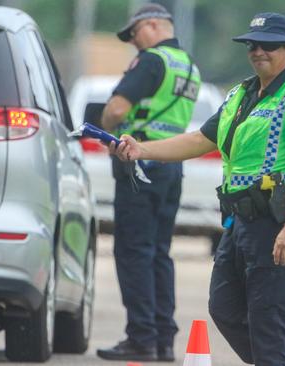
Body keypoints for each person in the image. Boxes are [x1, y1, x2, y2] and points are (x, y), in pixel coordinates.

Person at [110, 12, 285, 366]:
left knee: (268, 321)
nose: (258, 51)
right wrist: (141, 149)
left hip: (276, 224)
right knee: (224, 307)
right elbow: (200, 139)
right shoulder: (241, 94)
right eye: (252, 45)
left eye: (269, 45)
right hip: (239, 224)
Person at [95, 3, 201, 362]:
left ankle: (141, 338)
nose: (134, 43)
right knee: (158, 252)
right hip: (169, 166)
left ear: (153, 25)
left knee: (133, 251)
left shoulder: (152, 60)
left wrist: (107, 128)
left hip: (139, 164)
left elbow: (117, 109)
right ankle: (162, 339)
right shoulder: (189, 65)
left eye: (135, 34)